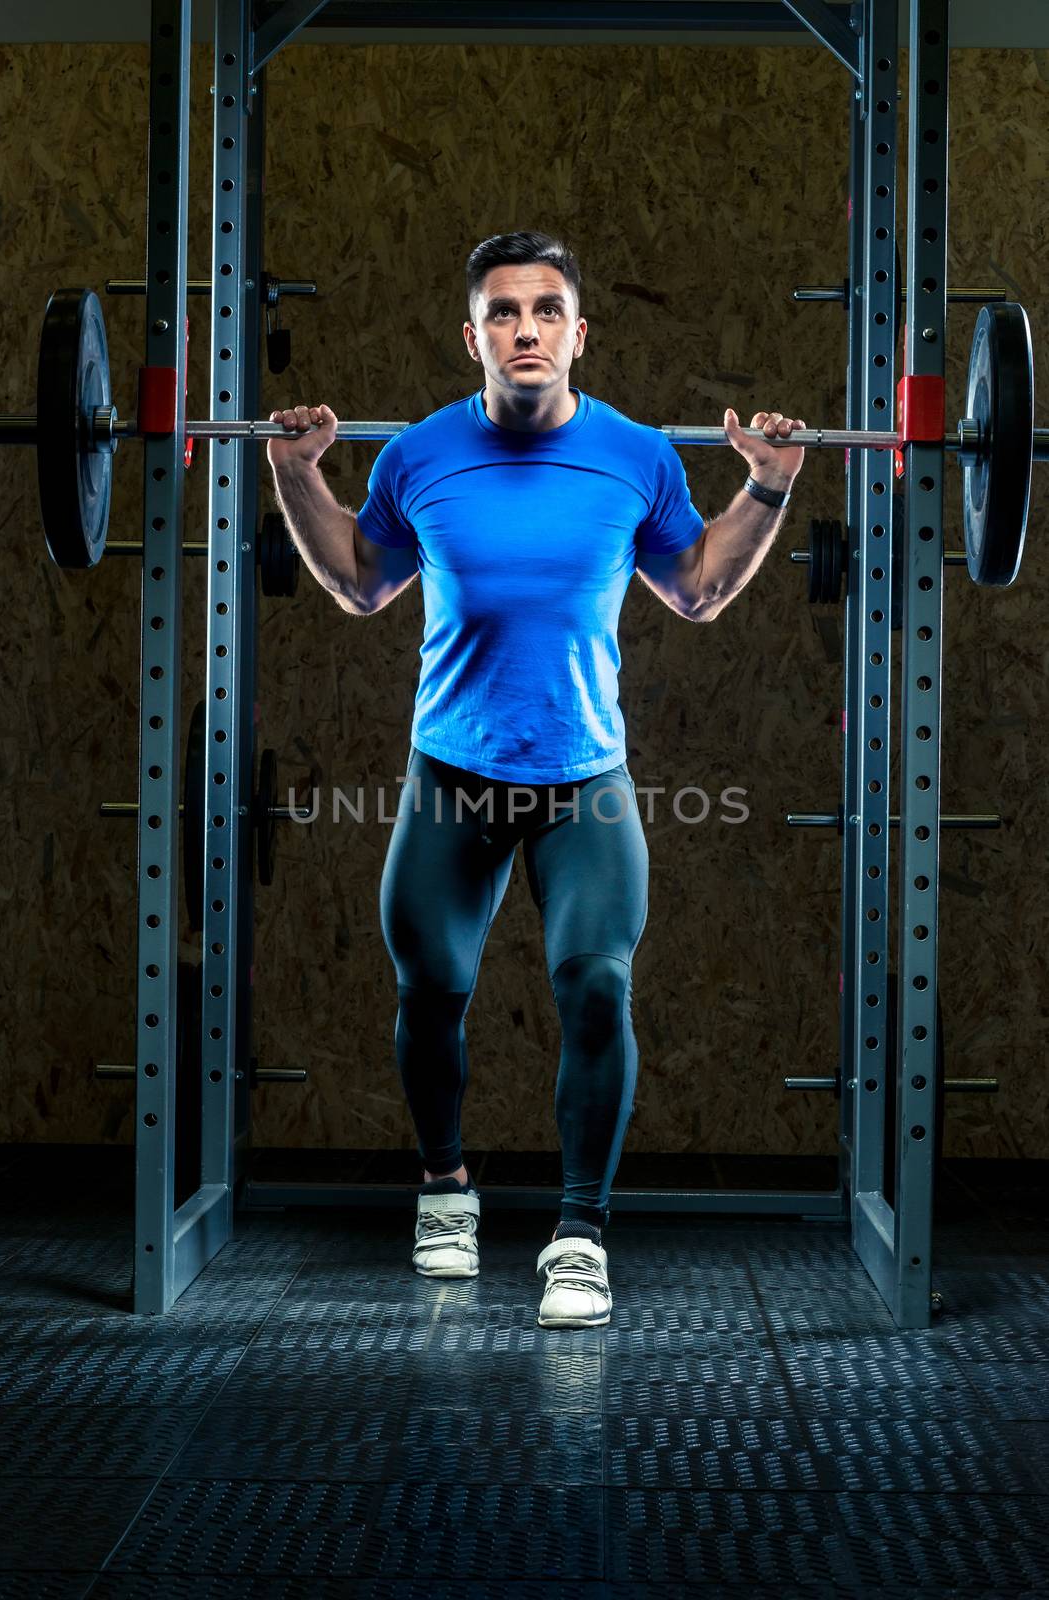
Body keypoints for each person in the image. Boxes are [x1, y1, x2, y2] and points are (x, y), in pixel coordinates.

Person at [267, 229, 805, 1330]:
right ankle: (445, 1188)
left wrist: (769, 491)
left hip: (583, 784)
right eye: (504, 312)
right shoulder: (417, 454)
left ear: (578, 333)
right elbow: (361, 584)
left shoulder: (638, 455)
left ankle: (579, 1231)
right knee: (431, 993)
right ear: (472, 336)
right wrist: (292, 474)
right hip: (450, 775)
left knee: (597, 985)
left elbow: (698, 590)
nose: (526, 329)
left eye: (546, 309)